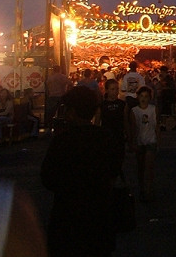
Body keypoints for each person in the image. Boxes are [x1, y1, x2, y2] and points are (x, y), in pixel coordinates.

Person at [41, 86, 121, 257]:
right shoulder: (106, 137)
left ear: (71, 111)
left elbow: (47, 178)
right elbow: (114, 171)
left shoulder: (62, 141)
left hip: (67, 219)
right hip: (99, 219)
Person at [129, 86, 159, 201]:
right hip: (140, 141)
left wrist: (159, 142)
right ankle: (142, 187)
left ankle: (148, 189)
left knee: (148, 166)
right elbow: (133, 128)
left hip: (151, 140)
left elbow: (157, 126)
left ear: (149, 98)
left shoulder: (153, 109)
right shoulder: (134, 111)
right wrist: (132, 142)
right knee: (140, 167)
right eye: (141, 96)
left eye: (146, 96)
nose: (143, 99)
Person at [100, 78, 126, 172]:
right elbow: (98, 121)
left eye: (116, 89)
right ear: (107, 90)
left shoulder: (122, 104)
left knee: (119, 160)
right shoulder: (102, 105)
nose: (115, 92)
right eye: (112, 89)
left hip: (119, 135)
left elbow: (126, 120)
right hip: (106, 136)